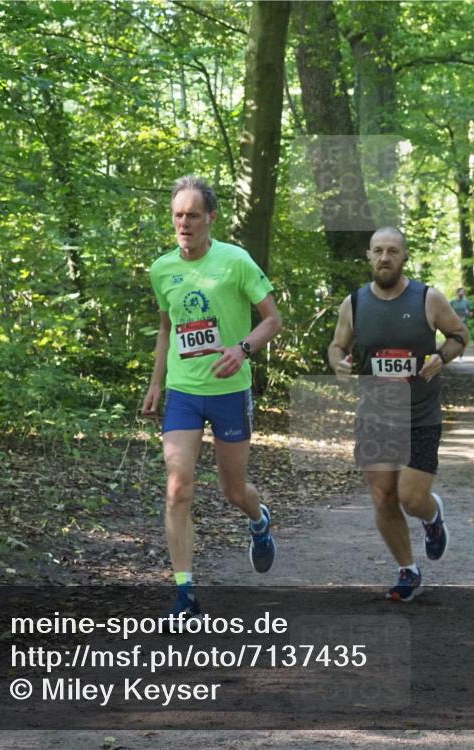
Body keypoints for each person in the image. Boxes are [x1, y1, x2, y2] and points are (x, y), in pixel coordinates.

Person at [142, 175, 282, 622]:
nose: (184, 223)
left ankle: (259, 522)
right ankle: (185, 596)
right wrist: (156, 382)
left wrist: (241, 350)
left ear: (211, 218)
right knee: (178, 487)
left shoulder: (235, 261)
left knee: (233, 490)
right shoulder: (162, 269)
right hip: (184, 391)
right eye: (178, 215)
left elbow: (272, 320)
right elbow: (168, 328)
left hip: (229, 391)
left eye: (193, 215)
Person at [327, 227, 469, 602]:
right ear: (369, 257)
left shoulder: (428, 298)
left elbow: (459, 335)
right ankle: (408, 569)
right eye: (378, 251)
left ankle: (432, 516)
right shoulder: (354, 304)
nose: (385, 257)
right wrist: (338, 362)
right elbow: (338, 344)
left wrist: (442, 355)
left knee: (409, 497)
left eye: (392, 251)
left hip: (420, 415)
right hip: (374, 415)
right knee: (383, 496)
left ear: (404, 257)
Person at [449, 287, 474, 354]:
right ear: (457, 293)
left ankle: (461, 352)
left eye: (463, 292)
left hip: (464, 323)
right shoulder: (452, 302)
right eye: (460, 292)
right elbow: (448, 312)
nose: (462, 293)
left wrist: (468, 313)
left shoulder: (467, 302)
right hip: (454, 323)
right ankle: (454, 351)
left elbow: (471, 313)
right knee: (454, 338)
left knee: (463, 338)